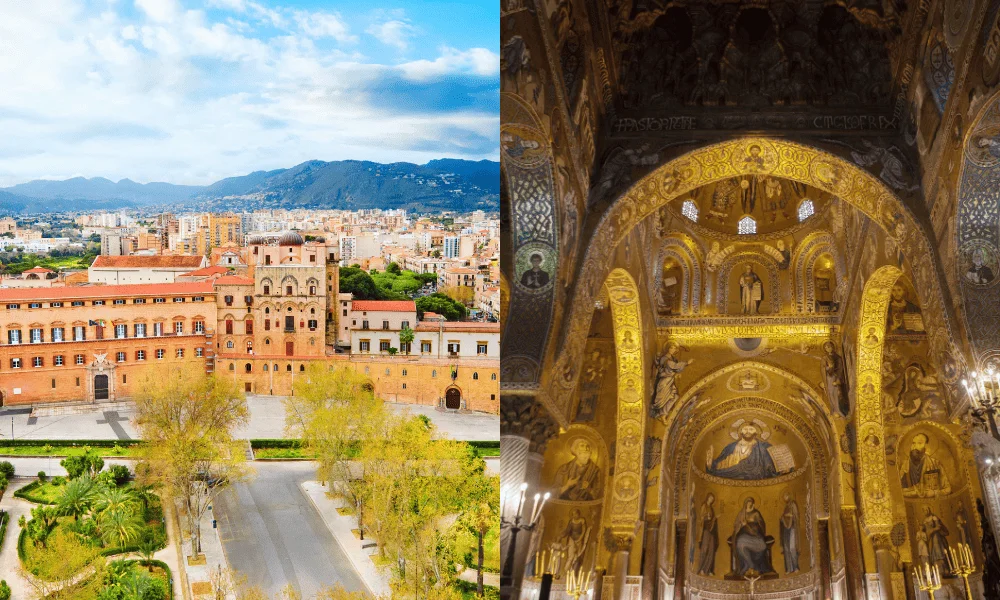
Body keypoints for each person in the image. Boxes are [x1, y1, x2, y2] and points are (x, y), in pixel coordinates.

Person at [707, 421, 778, 480]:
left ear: (756, 433)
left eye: (751, 429)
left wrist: (781, 469)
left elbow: (771, 466)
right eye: (745, 429)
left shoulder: (763, 447)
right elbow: (721, 462)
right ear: (740, 432)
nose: (747, 431)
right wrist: (711, 464)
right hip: (731, 476)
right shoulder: (730, 447)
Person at [731, 497, 775, 577]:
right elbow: (736, 525)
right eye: (748, 502)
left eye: (751, 502)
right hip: (743, 535)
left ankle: (753, 566)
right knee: (740, 542)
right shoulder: (742, 513)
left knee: (761, 546)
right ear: (745, 503)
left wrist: (748, 526)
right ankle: (748, 565)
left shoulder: (756, 513)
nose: (749, 504)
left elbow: (762, 525)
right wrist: (741, 525)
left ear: (753, 504)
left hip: (756, 536)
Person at [900, 433, 951, 498]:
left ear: (926, 446)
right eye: (913, 443)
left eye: (919, 443)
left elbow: (948, 489)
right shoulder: (905, 466)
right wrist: (913, 493)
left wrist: (934, 493)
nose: (915, 446)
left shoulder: (935, 464)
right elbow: (899, 490)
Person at [650, 342, 693, 420]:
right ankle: (659, 412)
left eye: (674, 348)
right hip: (664, 381)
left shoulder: (673, 358)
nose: (672, 350)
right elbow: (673, 366)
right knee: (661, 401)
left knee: (675, 396)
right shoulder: (665, 358)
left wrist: (676, 373)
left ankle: (664, 414)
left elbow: (677, 368)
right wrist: (686, 363)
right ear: (667, 348)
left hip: (670, 381)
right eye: (671, 348)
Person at [922, 506, 950, 573]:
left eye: (927, 509)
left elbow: (938, 527)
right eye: (924, 510)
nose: (926, 511)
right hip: (930, 538)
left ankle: (943, 567)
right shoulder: (925, 521)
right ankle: (935, 568)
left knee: (938, 549)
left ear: (929, 510)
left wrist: (932, 530)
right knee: (931, 550)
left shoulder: (934, 517)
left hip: (936, 536)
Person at [696, 493, 719, 575]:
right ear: (707, 497)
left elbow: (712, 519)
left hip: (712, 531)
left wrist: (714, 518)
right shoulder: (704, 506)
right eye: (710, 498)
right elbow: (701, 517)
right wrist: (707, 517)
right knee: (705, 549)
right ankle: (701, 569)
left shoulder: (711, 508)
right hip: (705, 529)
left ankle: (708, 570)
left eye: (712, 499)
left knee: (711, 550)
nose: (711, 500)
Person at [780, 493, 800, 574]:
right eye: (784, 497)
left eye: (786, 496)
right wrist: (784, 516)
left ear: (789, 496)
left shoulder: (793, 504)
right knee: (786, 549)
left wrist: (790, 515)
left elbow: (796, 516)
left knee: (792, 548)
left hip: (792, 528)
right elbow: (782, 517)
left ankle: (795, 567)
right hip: (785, 529)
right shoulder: (786, 507)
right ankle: (789, 568)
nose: (785, 498)